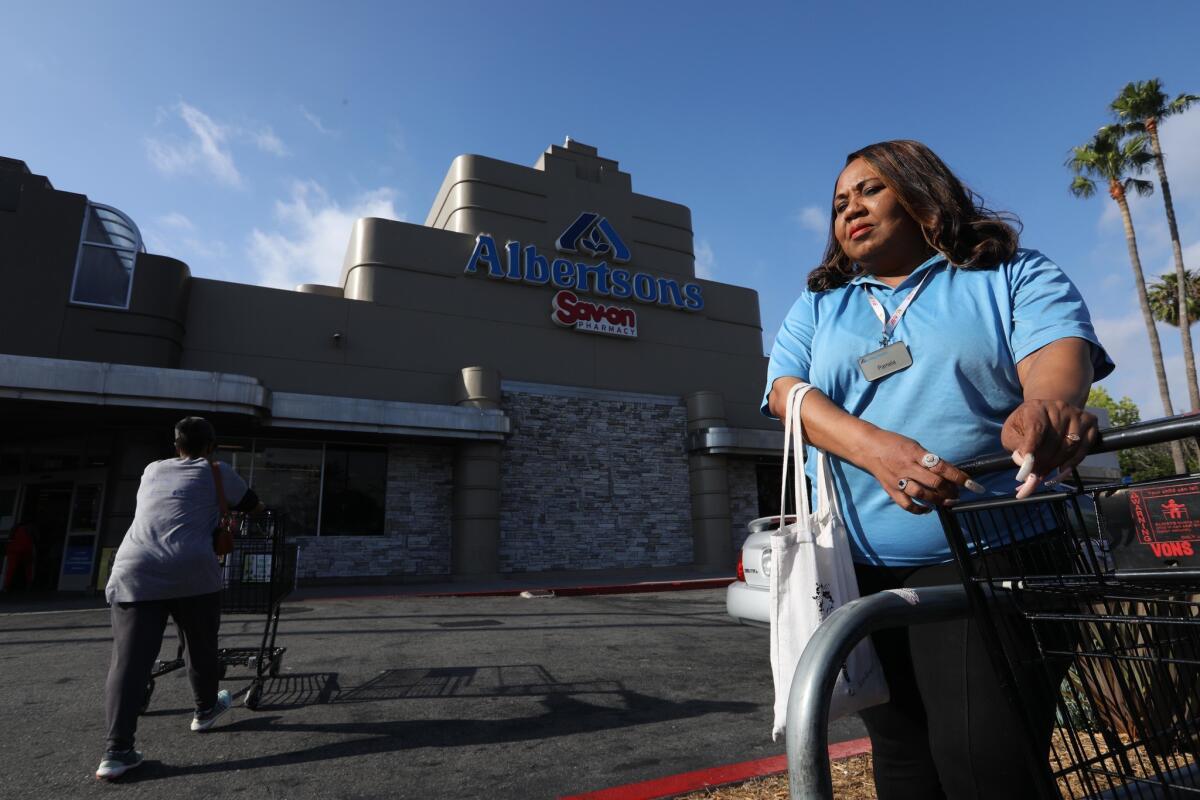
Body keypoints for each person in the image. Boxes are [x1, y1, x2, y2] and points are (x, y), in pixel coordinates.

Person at [763, 140, 1114, 799]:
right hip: (859, 567)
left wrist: (1048, 408)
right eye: (839, 203)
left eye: (868, 190)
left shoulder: (1011, 273)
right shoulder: (819, 305)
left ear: (923, 195)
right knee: (902, 759)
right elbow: (785, 393)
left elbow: (1058, 358)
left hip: (997, 551)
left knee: (984, 763)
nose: (850, 209)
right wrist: (876, 449)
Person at [96, 416, 263, 781]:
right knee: (199, 645)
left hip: (134, 568)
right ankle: (205, 710)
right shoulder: (217, 472)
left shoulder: (152, 470)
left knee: (129, 661)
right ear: (210, 447)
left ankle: (116, 751)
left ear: (175, 445)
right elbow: (252, 505)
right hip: (191, 569)